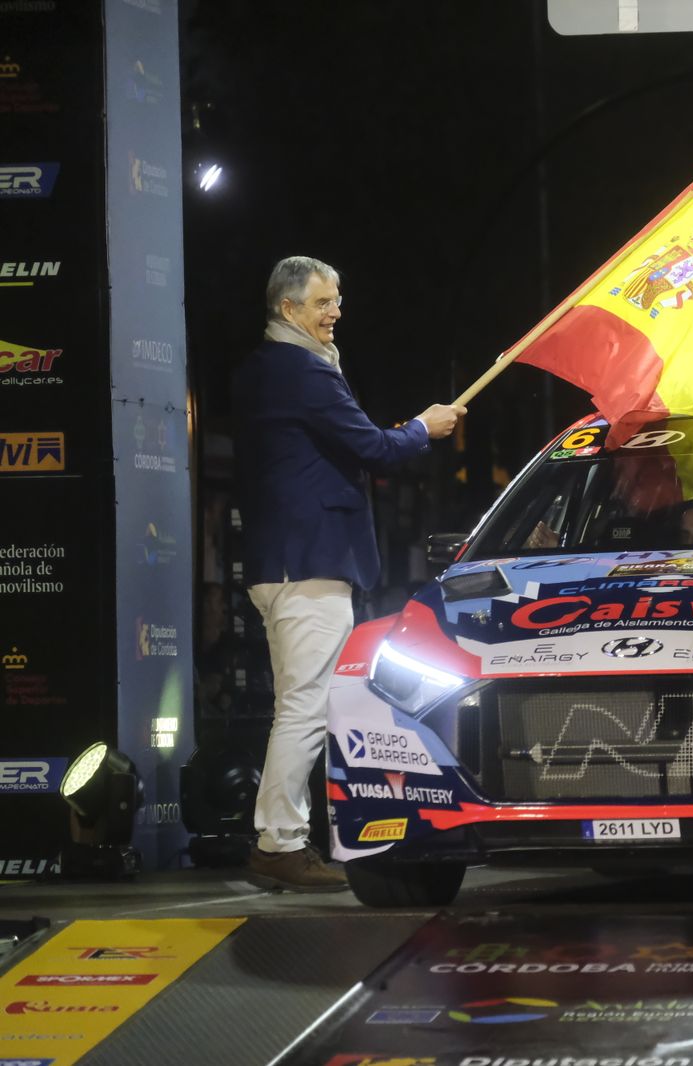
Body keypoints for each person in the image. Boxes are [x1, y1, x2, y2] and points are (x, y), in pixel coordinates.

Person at [233, 256, 464, 892]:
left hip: (289, 560)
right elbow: (371, 449)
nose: (335, 312)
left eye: (338, 299)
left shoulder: (268, 368)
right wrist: (425, 427)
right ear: (289, 309)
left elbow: (336, 445)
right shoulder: (303, 369)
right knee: (305, 707)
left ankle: (299, 835)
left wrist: (388, 435)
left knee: (305, 704)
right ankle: (279, 842)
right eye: (322, 303)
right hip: (306, 562)